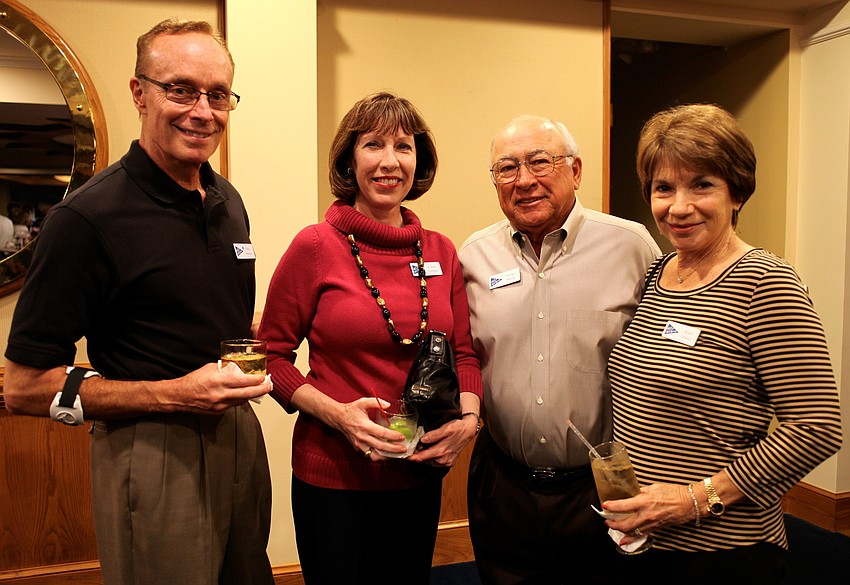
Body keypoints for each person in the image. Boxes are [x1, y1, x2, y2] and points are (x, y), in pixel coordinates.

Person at [3, 19, 274, 585]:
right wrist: (176, 393)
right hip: (151, 451)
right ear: (139, 93)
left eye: (217, 94)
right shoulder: (87, 219)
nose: (202, 110)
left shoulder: (226, 199)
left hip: (238, 436)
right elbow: (23, 387)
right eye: (180, 89)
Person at [605, 103, 843, 582]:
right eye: (663, 188)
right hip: (644, 534)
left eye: (702, 185)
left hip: (723, 548)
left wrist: (695, 499)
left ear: (737, 192)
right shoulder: (657, 274)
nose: (679, 206)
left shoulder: (766, 283)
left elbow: (817, 426)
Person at [258, 91, 483, 585]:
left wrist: (468, 420)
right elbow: (272, 358)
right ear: (349, 158)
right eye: (373, 145)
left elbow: (463, 353)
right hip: (333, 475)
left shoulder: (442, 250)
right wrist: (340, 416)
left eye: (403, 146)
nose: (389, 162)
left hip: (418, 470)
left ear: (418, 160)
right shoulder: (316, 245)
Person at [459, 115, 660, 584]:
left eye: (540, 162)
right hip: (503, 482)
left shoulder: (632, 247)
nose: (524, 180)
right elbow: (463, 356)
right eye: (507, 168)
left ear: (576, 170)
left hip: (600, 485)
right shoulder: (473, 256)